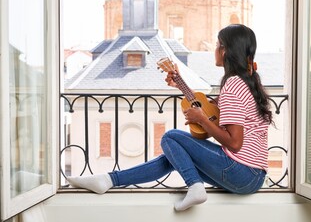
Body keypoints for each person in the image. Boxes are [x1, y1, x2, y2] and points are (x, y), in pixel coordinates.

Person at [67, 24, 273, 211]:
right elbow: (213, 116)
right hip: (252, 177)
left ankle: (194, 186)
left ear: (225, 50)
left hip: (242, 172)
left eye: (218, 44)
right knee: (173, 156)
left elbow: (234, 143)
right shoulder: (246, 81)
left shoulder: (234, 85)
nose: (215, 49)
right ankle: (108, 180)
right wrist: (181, 84)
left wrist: (200, 119)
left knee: (170, 138)